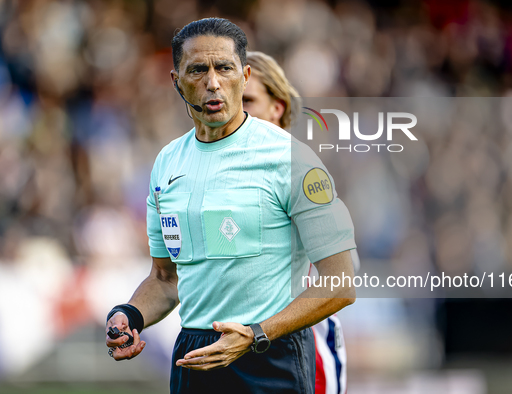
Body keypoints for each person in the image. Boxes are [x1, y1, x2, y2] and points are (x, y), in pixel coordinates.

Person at [105, 18, 356, 394]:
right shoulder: (167, 163)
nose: (212, 82)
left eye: (224, 68)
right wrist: (130, 315)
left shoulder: (289, 157)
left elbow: (341, 282)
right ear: (176, 81)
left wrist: (256, 334)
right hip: (194, 356)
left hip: (270, 355)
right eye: (197, 70)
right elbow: (165, 279)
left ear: (244, 74)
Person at [243, 50, 350, 394]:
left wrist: (264, 329)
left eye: (248, 100)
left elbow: (340, 281)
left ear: (278, 108)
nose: (236, 111)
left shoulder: (300, 169)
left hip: (299, 347)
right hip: (237, 344)